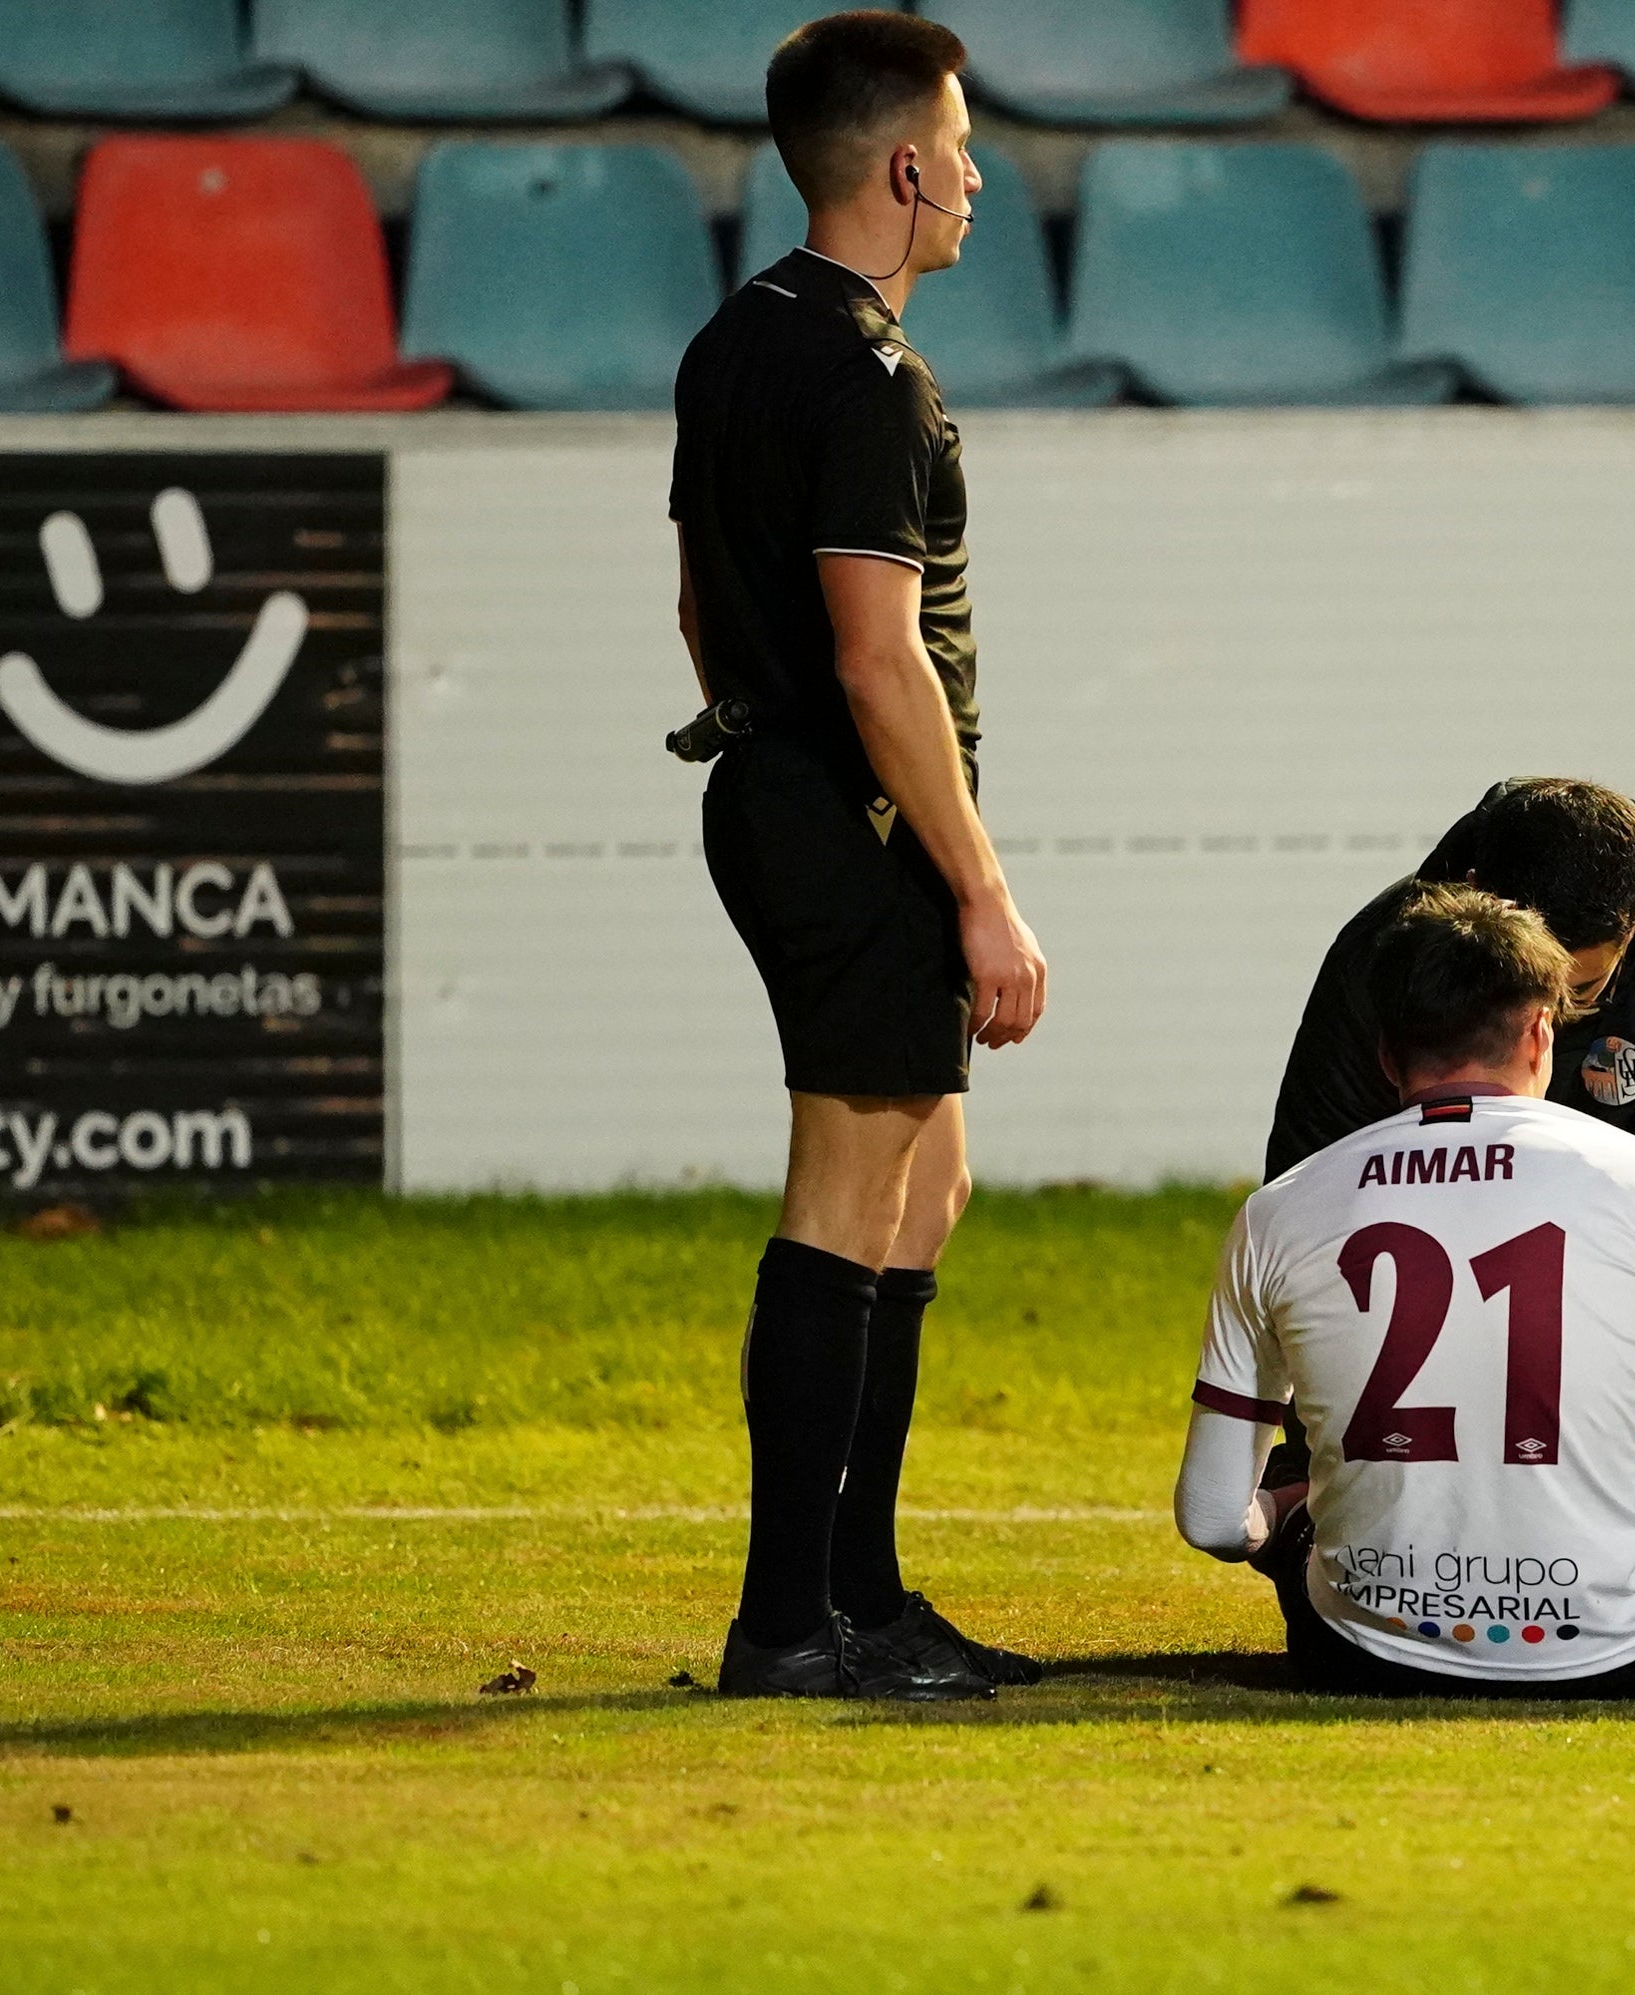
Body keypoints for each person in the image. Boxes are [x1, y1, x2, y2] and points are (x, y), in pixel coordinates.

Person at [669, 12, 1047, 1701]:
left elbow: (699, 601)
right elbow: (882, 661)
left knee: (923, 1187)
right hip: (855, 819)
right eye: (959, 148)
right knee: (845, 1189)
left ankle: (865, 1597)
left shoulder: (734, 340)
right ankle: (786, 1623)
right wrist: (980, 889)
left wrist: (764, 746)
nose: (975, 176)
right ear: (904, 167)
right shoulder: (872, 377)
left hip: (779, 793)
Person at [1177, 885, 1635, 1700]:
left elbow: (1212, 1516)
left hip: (1358, 1653)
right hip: (1616, 1651)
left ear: (1385, 1054)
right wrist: (1594, 1480)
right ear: (1539, 1032)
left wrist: (1287, 1515)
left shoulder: (1278, 1208)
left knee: (1313, 1484)